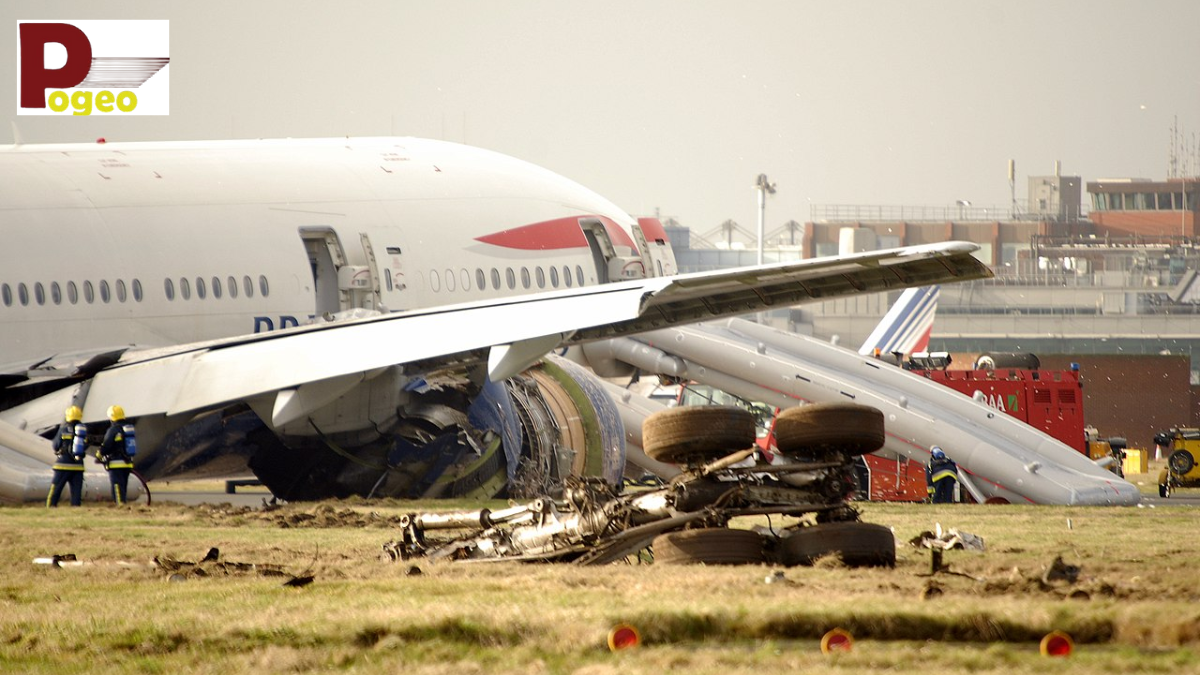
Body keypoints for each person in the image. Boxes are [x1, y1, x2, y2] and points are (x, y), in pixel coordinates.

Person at [47, 406, 88, 507]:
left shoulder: (63, 429)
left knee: (55, 489)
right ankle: (75, 509)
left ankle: (50, 507)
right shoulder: (83, 430)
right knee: (76, 493)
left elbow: (55, 445)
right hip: (78, 466)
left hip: (63, 465)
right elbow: (85, 445)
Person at [98, 405, 137, 505]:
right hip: (127, 463)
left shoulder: (113, 430)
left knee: (117, 487)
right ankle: (123, 503)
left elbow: (106, 446)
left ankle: (120, 506)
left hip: (116, 464)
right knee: (123, 486)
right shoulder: (128, 428)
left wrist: (99, 454)